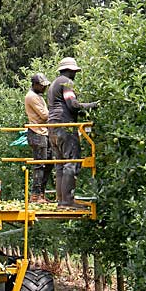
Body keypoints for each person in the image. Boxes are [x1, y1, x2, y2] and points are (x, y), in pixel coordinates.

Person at [46, 57, 97, 209]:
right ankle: (68, 201)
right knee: (71, 162)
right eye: (74, 71)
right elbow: (72, 105)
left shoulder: (53, 84)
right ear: (71, 70)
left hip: (52, 126)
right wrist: (92, 106)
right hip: (65, 125)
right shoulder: (66, 82)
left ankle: (62, 201)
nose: (75, 74)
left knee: (60, 164)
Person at [24, 73, 52, 203]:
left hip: (43, 132)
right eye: (42, 86)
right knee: (39, 165)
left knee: (48, 164)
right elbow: (44, 115)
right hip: (37, 133)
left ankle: (41, 193)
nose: (44, 88)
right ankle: (35, 195)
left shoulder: (38, 96)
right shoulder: (32, 97)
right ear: (35, 85)